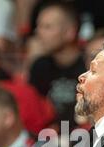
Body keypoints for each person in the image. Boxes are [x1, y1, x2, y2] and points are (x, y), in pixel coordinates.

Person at [28, 1, 86, 130]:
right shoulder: (39, 66)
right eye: (38, 26)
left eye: (47, 27)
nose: (38, 32)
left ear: (69, 32)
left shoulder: (89, 67)